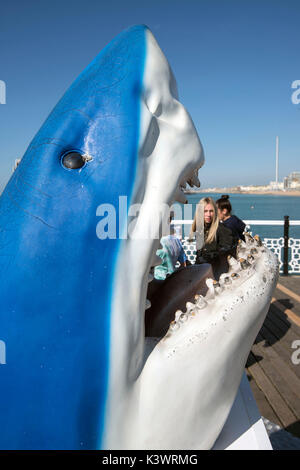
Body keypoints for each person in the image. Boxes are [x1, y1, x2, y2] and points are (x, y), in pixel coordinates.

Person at [189, 197, 235, 279]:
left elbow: (227, 253)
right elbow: (199, 254)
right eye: (205, 211)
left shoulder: (222, 229)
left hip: (218, 274)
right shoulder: (200, 229)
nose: (208, 215)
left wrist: (207, 257)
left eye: (211, 211)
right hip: (202, 273)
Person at [154, 213, 187, 281]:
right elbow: (184, 265)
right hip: (172, 279)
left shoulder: (155, 242)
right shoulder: (177, 241)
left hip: (156, 280)